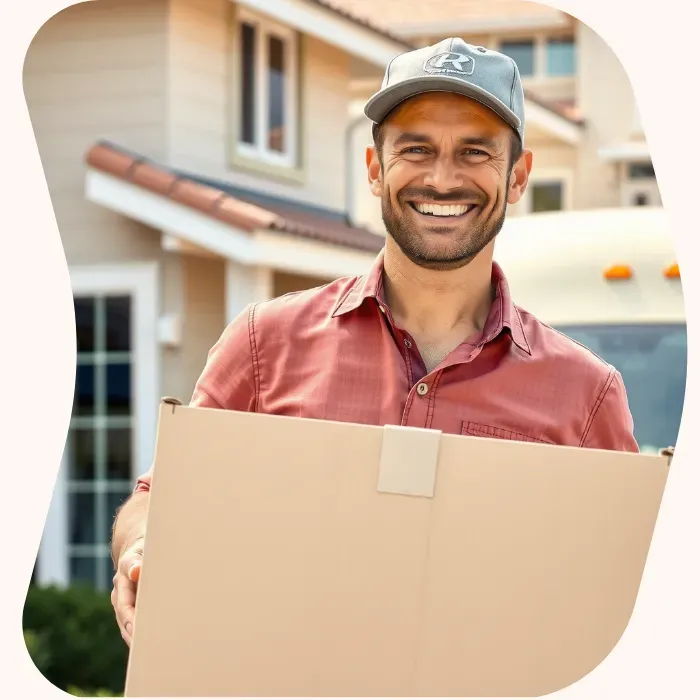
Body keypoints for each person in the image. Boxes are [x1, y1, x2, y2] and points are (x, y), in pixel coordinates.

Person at [110, 38, 639, 646]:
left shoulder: (586, 396)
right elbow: (163, 496)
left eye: (475, 152)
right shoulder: (264, 346)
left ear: (518, 176)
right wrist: (144, 545)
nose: (443, 178)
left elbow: (626, 579)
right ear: (374, 168)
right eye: (416, 148)